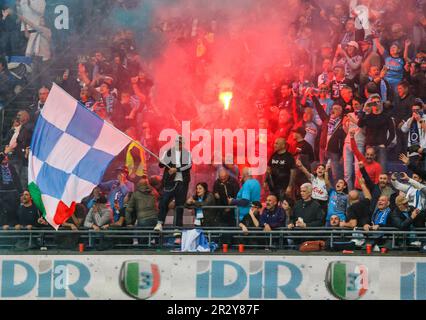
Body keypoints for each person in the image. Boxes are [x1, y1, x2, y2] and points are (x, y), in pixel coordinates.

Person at [155, 135, 192, 231]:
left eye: (180, 143)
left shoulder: (186, 153)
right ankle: (160, 223)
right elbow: (161, 165)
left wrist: (177, 170)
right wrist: (161, 161)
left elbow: (188, 165)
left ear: (182, 144)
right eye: (176, 142)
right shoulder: (169, 152)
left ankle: (178, 227)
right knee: (164, 201)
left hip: (182, 183)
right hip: (170, 182)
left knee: (180, 204)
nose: (178, 145)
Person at [311, 93, 345, 183]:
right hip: (323, 150)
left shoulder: (343, 123)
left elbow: (343, 140)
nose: (333, 110)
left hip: (334, 152)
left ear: (341, 111)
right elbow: (320, 110)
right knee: (321, 173)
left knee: (335, 174)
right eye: (333, 108)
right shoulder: (326, 119)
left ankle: (336, 192)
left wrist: (342, 155)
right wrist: (314, 97)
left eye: (336, 109)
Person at [0, 153, 22, 228]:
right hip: (2, 192)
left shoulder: (11, 167)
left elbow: (17, 179)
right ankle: (4, 224)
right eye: (4, 158)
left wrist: (21, 191)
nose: (5, 158)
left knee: (13, 209)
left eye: (6, 157)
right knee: (3, 209)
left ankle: (14, 224)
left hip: (12, 191)